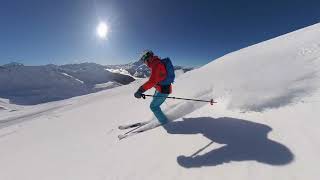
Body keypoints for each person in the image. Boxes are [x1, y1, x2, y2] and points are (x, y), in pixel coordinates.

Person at [134, 50, 172, 124]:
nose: (144, 63)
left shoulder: (156, 64)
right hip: (160, 89)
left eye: (144, 61)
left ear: (147, 59)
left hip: (163, 90)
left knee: (153, 107)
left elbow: (152, 81)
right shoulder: (156, 63)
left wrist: (140, 90)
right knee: (154, 104)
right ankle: (160, 117)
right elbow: (158, 78)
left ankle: (165, 122)